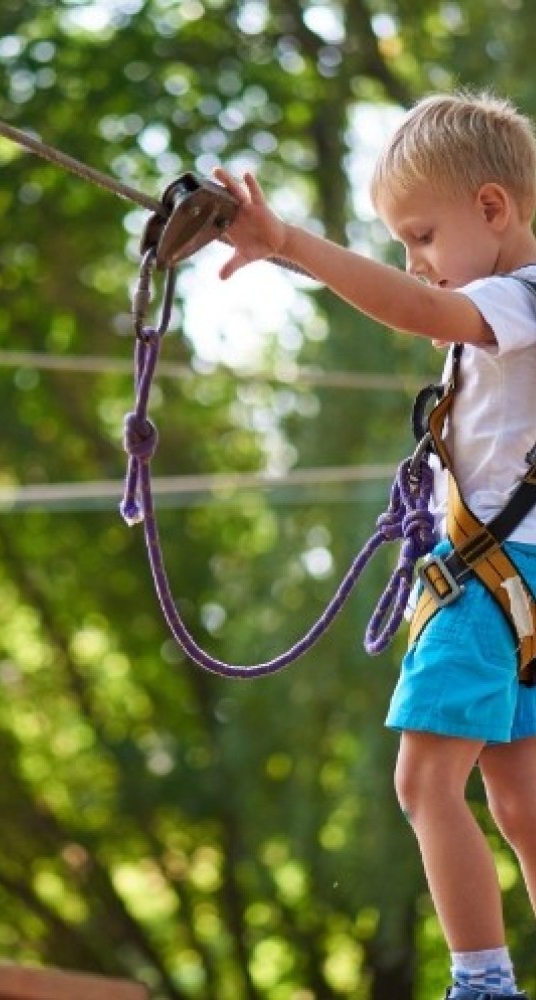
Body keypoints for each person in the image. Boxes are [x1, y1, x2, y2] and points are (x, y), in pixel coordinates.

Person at [214, 91, 536, 1000]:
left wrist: (289, 245)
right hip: (517, 579)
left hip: (492, 583)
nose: (415, 262)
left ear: (490, 208)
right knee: (519, 800)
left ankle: (483, 983)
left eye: (423, 235)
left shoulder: (514, 301)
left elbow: (408, 309)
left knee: (424, 781)